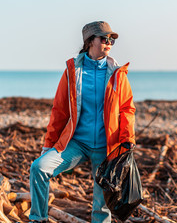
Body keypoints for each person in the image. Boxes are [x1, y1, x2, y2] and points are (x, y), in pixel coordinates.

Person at [29, 21, 136, 223]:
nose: (109, 43)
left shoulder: (117, 73)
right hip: (76, 144)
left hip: (107, 147)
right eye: (104, 38)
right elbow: (59, 111)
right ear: (90, 42)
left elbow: (127, 108)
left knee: (101, 207)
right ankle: (38, 219)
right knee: (39, 168)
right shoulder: (72, 71)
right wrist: (48, 145)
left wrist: (127, 138)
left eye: (111, 39)